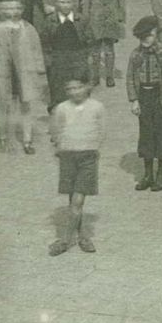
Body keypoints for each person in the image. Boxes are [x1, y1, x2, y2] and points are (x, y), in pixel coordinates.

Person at [47, 74, 103, 255]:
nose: (74, 92)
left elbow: (101, 131)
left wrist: (92, 149)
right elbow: (55, 131)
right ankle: (83, 236)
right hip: (68, 156)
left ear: (87, 87)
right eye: (70, 89)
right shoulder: (61, 108)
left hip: (88, 157)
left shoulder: (96, 107)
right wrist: (60, 146)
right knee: (73, 200)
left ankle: (65, 240)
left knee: (78, 200)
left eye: (78, 87)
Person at [0, 0, 47, 155]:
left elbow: (36, 49)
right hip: (5, 71)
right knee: (4, 105)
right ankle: (3, 137)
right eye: (9, 8)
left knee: (26, 105)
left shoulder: (28, 28)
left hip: (24, 71)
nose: (13, 12)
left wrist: (39, 68)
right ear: (3, 10)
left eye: (17, 8)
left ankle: (27, 140)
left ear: (22, 9)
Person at [124, 15, 162, 193]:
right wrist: (134, 100)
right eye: (144, 36)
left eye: (151, 35)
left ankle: (161, 174)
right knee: (146, 135)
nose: (148, 39)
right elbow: (130, 78)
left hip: (160, 97)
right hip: (144, 97)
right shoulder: (136, 54)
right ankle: (148, 175)